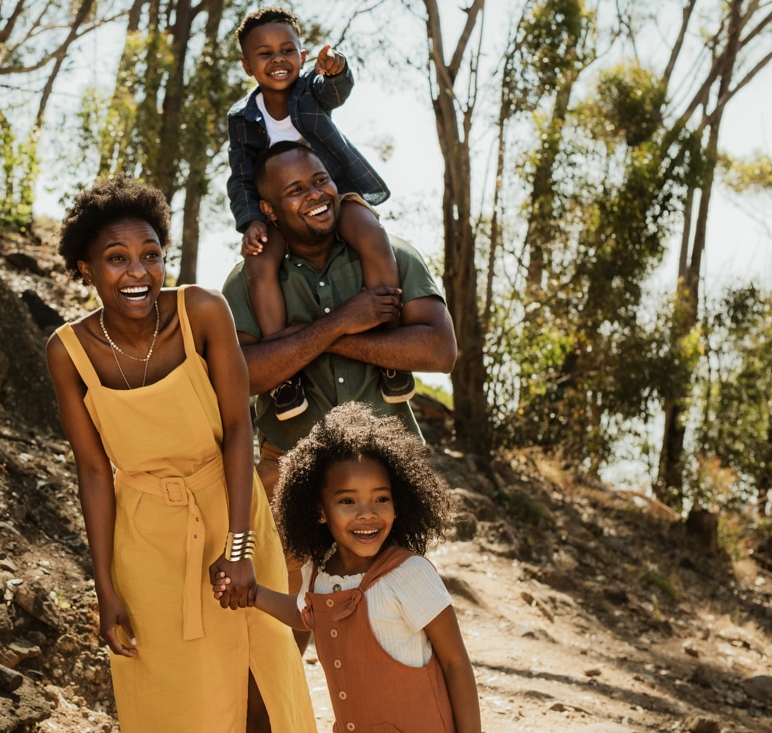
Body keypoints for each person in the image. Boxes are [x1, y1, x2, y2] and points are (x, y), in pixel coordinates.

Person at [45, 177, 316, 733]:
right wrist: (105, 588)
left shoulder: (202, 312)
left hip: (231, 510)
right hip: (146, 541)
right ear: (86, 269)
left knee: (259, 684)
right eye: (116, 258)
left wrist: (239, 547)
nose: (138, 272)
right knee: (173, 696)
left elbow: (239, 429)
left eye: (151, 255)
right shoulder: (67, 351)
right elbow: (94, 472)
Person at [222, 139, 457, 648]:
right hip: (288, 475)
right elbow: (242, 374)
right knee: (276, 643)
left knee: (394, 633)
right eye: (295, 190)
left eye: (321, 181)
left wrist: (319, 338)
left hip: (383, 481)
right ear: (268, 209)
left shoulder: (389, 255)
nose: (315, 195)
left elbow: (439, 349)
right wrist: (342, 324)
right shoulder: (249, 281)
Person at [213, 402, 482, 733]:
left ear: (399, 504)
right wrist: (253, 595)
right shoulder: (320, 568)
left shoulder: (409, 573)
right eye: (347, 501)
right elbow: (306, 614)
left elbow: (456, 663)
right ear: (320, 511)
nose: (367, 513)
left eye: (381, 498)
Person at [227, 6, 416, 421]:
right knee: (259, 263)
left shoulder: (310, 92)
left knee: (369, 231)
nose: (277, 60)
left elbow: (336, 90)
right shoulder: (242, 119)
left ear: (301, 53)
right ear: (247, 66)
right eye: (264, 53)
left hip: (335, 191)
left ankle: (389, 351)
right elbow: (241, 175)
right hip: (283, 209)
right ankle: (285, 377)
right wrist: (251, 220)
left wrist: (337, 68)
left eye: (286, 50)